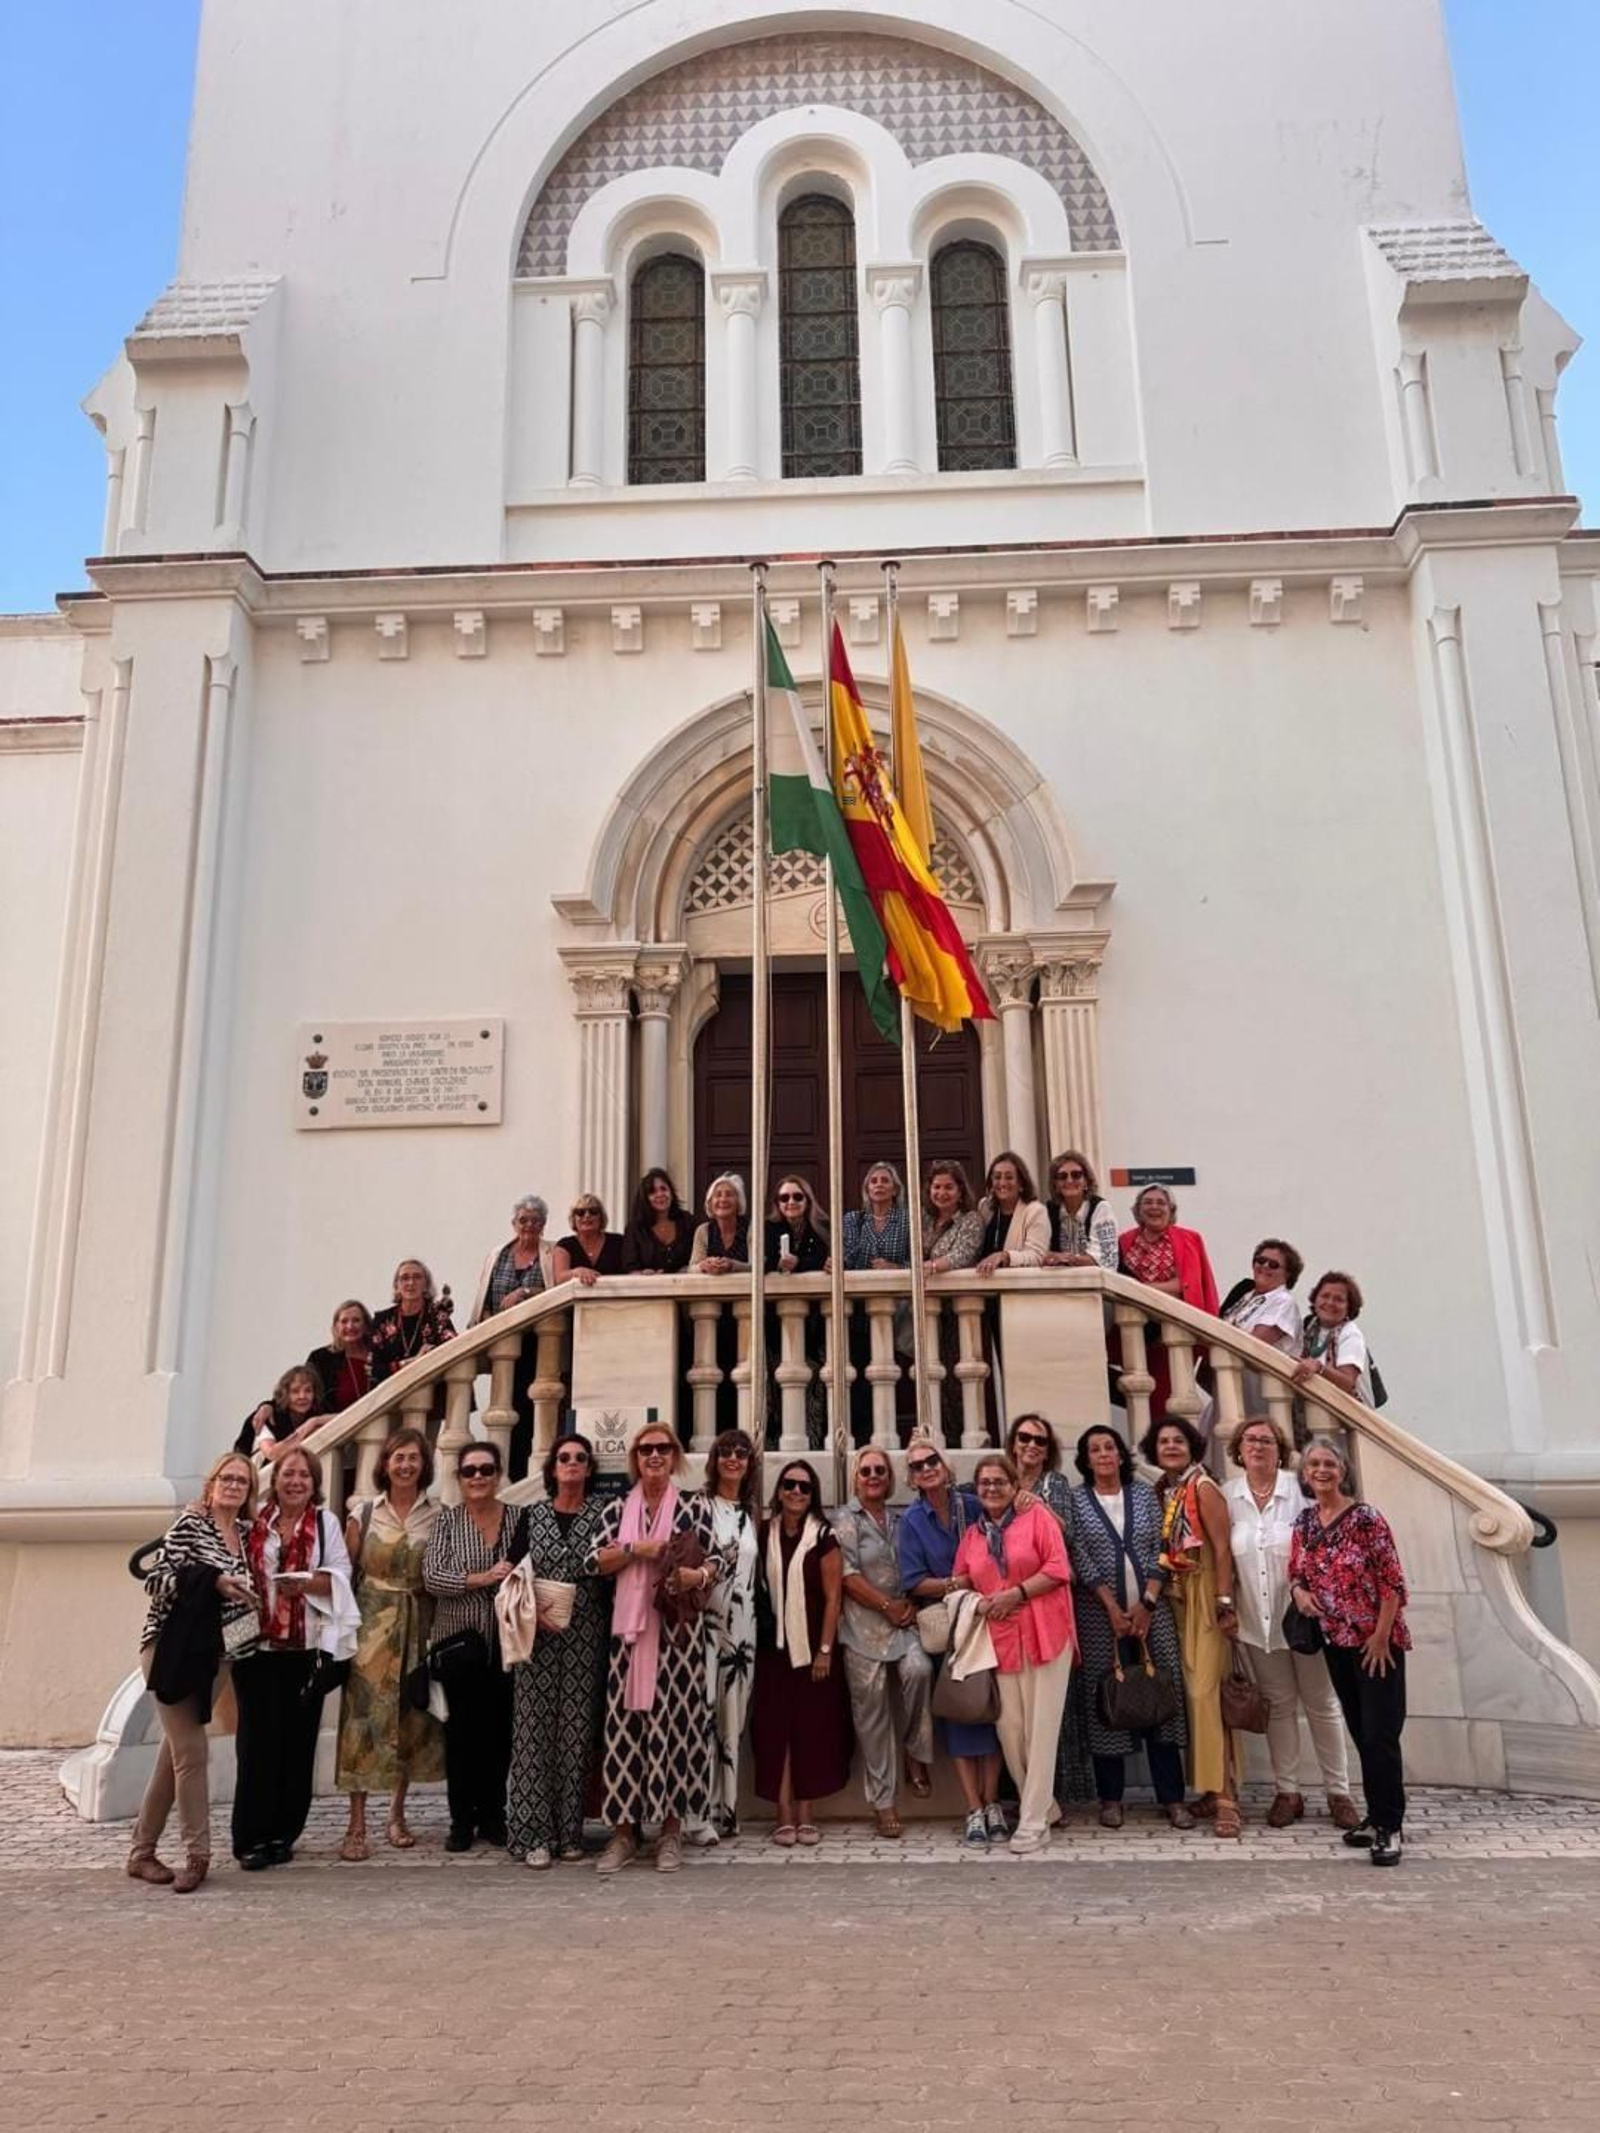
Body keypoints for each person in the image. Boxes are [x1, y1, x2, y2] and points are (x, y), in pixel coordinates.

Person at [586, 1423, 732, 1875]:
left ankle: (670, 1832)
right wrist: (637, 1547)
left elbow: (719, 1559)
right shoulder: (616, 1509)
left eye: (663, 1449)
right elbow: (595, 1560)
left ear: (674, 1457)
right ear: (635, 1458)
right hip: (629, 1640)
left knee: (676, 1732)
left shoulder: (692, 1507)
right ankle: (625, 1834)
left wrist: (697, 1577)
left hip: (677, 1639)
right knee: (625, 1734)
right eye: (646, 1449)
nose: (654, 1456)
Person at [128, 1451, 260, 1893]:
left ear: (249, 1492)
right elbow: (155, 1580)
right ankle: (198, 1854)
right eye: (227, 1477)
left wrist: (252, 1604)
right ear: (212, 1482)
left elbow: (245, 1593)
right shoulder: (191, 1524)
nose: (234, 1486)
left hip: (219, 1655)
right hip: (172, 1650)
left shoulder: (245, 1533)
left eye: (242, 1481)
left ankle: (141, 1852)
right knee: (192, 1753)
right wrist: (212, 1580)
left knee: (174, 1756)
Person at [1223, 1416, 1358, 1831]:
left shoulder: (1299, 1492)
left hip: (1307, 1621)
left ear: (1279, 1449)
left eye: (1266, 1440)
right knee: (1279, 1707)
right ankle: (1288, 1791)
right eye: (1250, 1440)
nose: (1258, 1447)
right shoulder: (1228, 1496)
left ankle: (1339, 1792)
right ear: (1239, 1449)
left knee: (1322, 1705)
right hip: (1256, 1622)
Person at [1290, 1436, 1411, 1867]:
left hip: (1376, 1645)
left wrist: (1380, 1637)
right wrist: (1299, 1592)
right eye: (1313, 1465)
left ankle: (1389, 1827)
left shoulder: (1366, 1519)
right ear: (1305, 1474)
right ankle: (1378, 1815)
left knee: (1381, 1734)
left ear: (1343, 1470)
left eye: (1329, 1464)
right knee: (1362, 1733)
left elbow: (1392, 1582)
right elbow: (1296, 1572)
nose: (1321, 1471)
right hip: (1335, 1643)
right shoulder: (1305, 1523)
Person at [233, 1446, 356, 1870]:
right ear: (275, 1478)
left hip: (306, 1648)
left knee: (296, 1744)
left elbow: (341, 1575)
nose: (295, 1482)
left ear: (314, 1482)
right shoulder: (253, 1522)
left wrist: (304, 1584)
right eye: (288, 1473)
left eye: (304, 1475)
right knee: (255, 1743)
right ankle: (251, 1836)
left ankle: (284, 1833)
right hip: (257, 1648)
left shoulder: (326, 1522)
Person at [1065, 1425, 1191, 1828]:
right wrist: (1112, 1608)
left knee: (1160, 1694)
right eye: (1094, 1449)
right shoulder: (1077, 1500)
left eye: (1109, 1447)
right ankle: (1111, 1798)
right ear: (1085, 1459)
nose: (1103, 1454)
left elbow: (1163, 1547)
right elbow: (1078, 1555)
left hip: (1151, 1612)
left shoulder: (1143, 1495)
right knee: (1106, 1698)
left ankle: (1172, 1796)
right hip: (1099, 1616)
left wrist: (1148, 1603)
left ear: (1121, 1454)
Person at [952, 1451, 1075, 1855]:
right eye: (984, 1483)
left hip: (1045, 1634)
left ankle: (1034, 1821)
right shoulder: (972, 1536)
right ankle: (1045, 1805)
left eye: (999, 1482)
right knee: (1011, 1733)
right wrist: (977, 1601)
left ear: (1014, 1486)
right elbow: (961, 1582)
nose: (991, 1489)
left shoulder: (1037, 1519)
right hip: (1001, 1642)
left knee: (1041, 1733)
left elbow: (1059, 1569)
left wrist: (1016, 1592)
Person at [335, 1428, 444, 1861]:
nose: (405, 1465)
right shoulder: (363, 1513)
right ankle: (356, 1824)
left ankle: (397, 1815)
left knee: (409, 1721)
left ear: (424, 1465)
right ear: (385, 1464)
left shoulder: (438, 1515)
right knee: (362, 1722)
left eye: (414, 1458)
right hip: (371, 1629)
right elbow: (344, 1576)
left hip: (419, 1624)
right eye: (398, 1457)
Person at [505, 1433, 609, 1869]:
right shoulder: (533, 1516)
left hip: (585, 1634)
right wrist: (533, 1608)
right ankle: (531, 1834)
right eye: (564, 1458)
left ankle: (569, 1832)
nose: (571, 1464)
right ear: (551, 1468)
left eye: (580, 1458)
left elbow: (610, 1572)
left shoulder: (602, 1515)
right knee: (532, 1735)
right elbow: (512, 1569)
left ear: (588, 1469)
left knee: (574, 1732)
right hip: (537, 1634)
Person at [896, 1436, 1002, 1847]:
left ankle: (993, 1802)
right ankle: (972, 1807)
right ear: (913, 1477)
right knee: (960, 1714)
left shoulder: (972, 1505)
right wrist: (960, 1583)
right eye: (918, 1465)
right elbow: (914, 1581)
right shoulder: (913, 1521)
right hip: (950, 1626)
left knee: (991, 1711)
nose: (927, 1468)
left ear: (945, 1464)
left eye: (932, 1460)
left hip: (987, 1621)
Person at [1146, 1415, 1242, 1837]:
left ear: (1192, 1446)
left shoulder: (1203, 1487)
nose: (1170, 1446)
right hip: (1177, 1598)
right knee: (1193, 1696)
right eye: (1163, 1441)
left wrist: (1224, 1600)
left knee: (1205, 1694)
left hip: (1204, 1593)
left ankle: (1226, 1799)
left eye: (1178, 1440)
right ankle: (1210, 1785)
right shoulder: (1166, 1490)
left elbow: (1222, 1549)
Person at [831, 1446, 934, 1838]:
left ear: (890, 1479)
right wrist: (887, 1605)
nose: (873, 1476)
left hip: (902, 1623)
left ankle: (916, 1752)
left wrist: (905, 1604)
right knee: (872, 1715)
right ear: (855, 1478)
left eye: (880, 1470)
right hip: (862, 1626)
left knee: (919, 1670)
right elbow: (846, 1574)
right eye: (866, 1471)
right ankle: (884, 1802)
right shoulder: (845, 1519)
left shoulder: (901, 1520)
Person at [422, 1440, 519, 1852]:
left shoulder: (519, 1519)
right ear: (459, 1479)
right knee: (461, 1736)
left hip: (507, 1643)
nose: (478, 1477)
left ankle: (494, 1815)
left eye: (485, 1470)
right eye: (469, 1471)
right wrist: (481, 1578)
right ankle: (462, 1819)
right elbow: (432, 1578)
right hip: (460, 1645)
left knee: (499, 1734)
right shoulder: (447, 1522)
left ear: (498, 1475)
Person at [750, 1460, 852, 1845]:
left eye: (804, 1488)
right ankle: (783, 1814)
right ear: (778, 1491)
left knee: (810, 1730)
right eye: (789, 1485)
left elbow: (833, 1598)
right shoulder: (763, 1533)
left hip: (812, 1650)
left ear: (813, 1496)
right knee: (775, 1731)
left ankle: (806, 1812)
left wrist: (825, 1649)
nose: (796, 1492)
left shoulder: (823, 1536)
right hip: (772, 1648)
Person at [692, 1429, 760, 1843]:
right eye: (726, 1452)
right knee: (704, 1712)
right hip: (707, 1626)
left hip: (744, 1628)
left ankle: (726, 1812)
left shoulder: (750, 1512)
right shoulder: (699, 1507)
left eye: (742, 1453)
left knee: (732, 1719)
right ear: (715, 1459)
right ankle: (697, 1812)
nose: (734, 1459)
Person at [469, 1196, 556, 1480]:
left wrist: (525, 1293)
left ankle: (531, 1473)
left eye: (535, 1221)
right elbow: (485, 1292)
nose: (528, 1226)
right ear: (514, 1223)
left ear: (543, 1225)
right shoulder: (499, 1254)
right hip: (503, 1344)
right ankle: (508, 1471)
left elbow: (556, 1290)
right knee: (505, 1410)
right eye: (523, 1220)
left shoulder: (551, 1252)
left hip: (538, 1344)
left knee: (533, 1411)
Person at [1117, 1186, 1219, 1420]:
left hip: (1173, 1328)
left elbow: (1186, 1283)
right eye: (1148, 1202)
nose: (1154, 1207)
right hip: (1136, 1330)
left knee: (1170, 1394)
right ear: (1138, 1210)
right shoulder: (1124, 1241)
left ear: (1171, 1210)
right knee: (1140, 1394)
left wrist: (1142, 1290)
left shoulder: (1188, 1239)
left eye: (1160, 1203)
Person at [841, 1163, 910, 1442]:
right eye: (873, 1181)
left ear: (894, 1189)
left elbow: (920, 1259)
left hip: (898, 1311)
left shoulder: (907, 1220)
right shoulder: (853, 1220)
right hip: (859, 1314)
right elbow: (846, 1256)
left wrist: (895, 1267)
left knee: (898, 1374)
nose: (879, 1185)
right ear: (867, 1190)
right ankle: (863, 1434)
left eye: (885, 1180)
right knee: (860, 1378)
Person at [921, 1158, 986, 1443]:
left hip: (957, 1312)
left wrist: (932, 1267)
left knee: (956, 1380)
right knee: (931, 1377)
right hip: (927, 1310)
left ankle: (962, 1438)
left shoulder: (970, 1220)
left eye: (948, 1187)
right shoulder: (925, 1219)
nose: (942, 1193)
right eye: (937, 1187)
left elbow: (964, 1255)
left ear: (960, 1191)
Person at [1294, 1270, 1377, 1407]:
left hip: (1351, 1418)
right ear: (1315, 1300)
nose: (1330, 1303)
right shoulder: (1310, 1327)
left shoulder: (1351, 1334)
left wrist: (1318, 1368)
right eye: (1325, 1296)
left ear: (1349, 1307)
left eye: (1338, 1299)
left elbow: (1347, 1382)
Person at [370, 1260, 457, 1382]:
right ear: (397, 1286)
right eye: (404, 1278)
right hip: (394, 1394)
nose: (411, 1283)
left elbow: (453, 1350)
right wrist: (412, 1362)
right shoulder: (383, 1320)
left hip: (432, 1392)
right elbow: (373, 1368)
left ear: (426, 1285)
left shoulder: (437, 1316)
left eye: (417, 1277)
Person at [1041, 1150, 1119, 1270]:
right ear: (1055, 1185)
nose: (1069, 1180)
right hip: (1059, 1283)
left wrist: (1068, 1259)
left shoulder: (1101, 1208)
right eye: (1062, 1176)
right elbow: (1042, 1253)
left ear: (1086, 1181)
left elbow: (1107, 1260)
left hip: (1096, 1284)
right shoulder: (1049, 1210)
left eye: (1076, 1175)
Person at [974, 1151, 1050, 1273]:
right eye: (997, 1177)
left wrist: (1006, 1256)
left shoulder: (1036, 1211)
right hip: (983, 1283)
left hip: (1016, 1288)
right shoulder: (985, 1207)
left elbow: (1037, 1256)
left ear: (1021, 1184)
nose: (1002, 1183)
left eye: (1009, 1177)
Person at [235, 1364, 323, 1463]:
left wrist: (315, 1421)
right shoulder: (267, 1416)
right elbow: (272, 1453)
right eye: (295, 1391)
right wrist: (305, 1430)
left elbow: (340, 1417)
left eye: (308, 1391)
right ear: (286, 1394)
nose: (302, 1396)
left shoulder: (315, 1413)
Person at [305, 1300, 375, 1414]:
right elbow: (300, 1390)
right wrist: (269, 1406)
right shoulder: (320, 1358)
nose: (350, 1326)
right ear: (336, 1327)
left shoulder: (379, 1355)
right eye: (344, 1321)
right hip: (337, 1427)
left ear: (366, 1325)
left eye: (356, 1320)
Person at [621, 1168, 695, 1274]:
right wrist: (642, 1274)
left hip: (685, 1287)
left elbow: (699, 1258)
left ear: (671, 1193)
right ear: (645, 1198)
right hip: (649, 1288)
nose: (660, 1194)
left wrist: (687, 1269)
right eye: (653, 1192)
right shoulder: (635, 1227)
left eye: (664, 1189)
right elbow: (629, 1266)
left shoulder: (687, 1221)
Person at [1007, 1412, 1073, 1525]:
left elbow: (1067, 1534)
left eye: (1040, 1441)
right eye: (1024, 1438)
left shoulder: (1055, 1481)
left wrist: (1040, 1505)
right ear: (1013, 1445)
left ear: (1047, 1453)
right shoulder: (1002, 1480)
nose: (1032, 1445)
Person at [765, 1174, 830, 1273]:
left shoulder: (823, 1226)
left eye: (798, 1197)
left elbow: (824, 1260)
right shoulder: (768, 1228)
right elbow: (762, 1263)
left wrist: (798, 1263)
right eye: (784, 1198)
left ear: (808, 1200)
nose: (791, 1202)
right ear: (778, 1203)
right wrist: (778, 1264)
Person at [554, 1195, 625, 1283]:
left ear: (601, 1217)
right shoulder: (565, 1245)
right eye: (580, 1212)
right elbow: (560, 1278)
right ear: (573, 1218)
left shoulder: (618, 1242)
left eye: (593, 1211)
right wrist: (577, 1272)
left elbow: (631, 1271)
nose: (587, 1215)